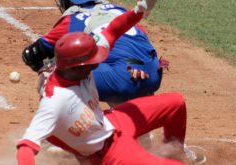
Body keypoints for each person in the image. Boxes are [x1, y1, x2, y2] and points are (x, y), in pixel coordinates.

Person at [16, 3, 187, 164]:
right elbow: (26, 147)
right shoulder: (55, 101)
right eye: (92, 61)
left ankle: (174, 152)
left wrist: (140, 8)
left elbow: (114, 29)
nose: (98, 63)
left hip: (112, 122)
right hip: (109, 151)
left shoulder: (79, 65)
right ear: (76, 67)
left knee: (176, 103)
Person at [22, 0, 169, 105]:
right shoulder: (120, 10)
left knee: (53, 71)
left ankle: (74, 133)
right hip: (152, 75)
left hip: (120, 80)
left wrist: (42, 66)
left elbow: (31, 55)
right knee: (115, 63)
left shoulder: (72, 19)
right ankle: (140, 129)